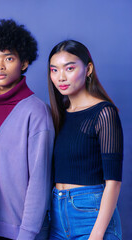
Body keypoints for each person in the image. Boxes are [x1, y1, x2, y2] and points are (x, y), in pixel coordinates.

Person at [0, 19, 55, 240]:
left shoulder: (36, 112)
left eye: (9, 58)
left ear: (24, 62)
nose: (0, 66)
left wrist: (27, 234)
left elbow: (40, 179)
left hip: (19, 231)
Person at [47, 40, 123, 240]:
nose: (60, 77)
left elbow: (113, 183)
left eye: (69, 68)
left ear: (88, 69)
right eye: (54, 70)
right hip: (56, 215)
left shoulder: (104, 113)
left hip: (91, 215)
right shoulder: (59, 115)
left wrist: (96, 235)